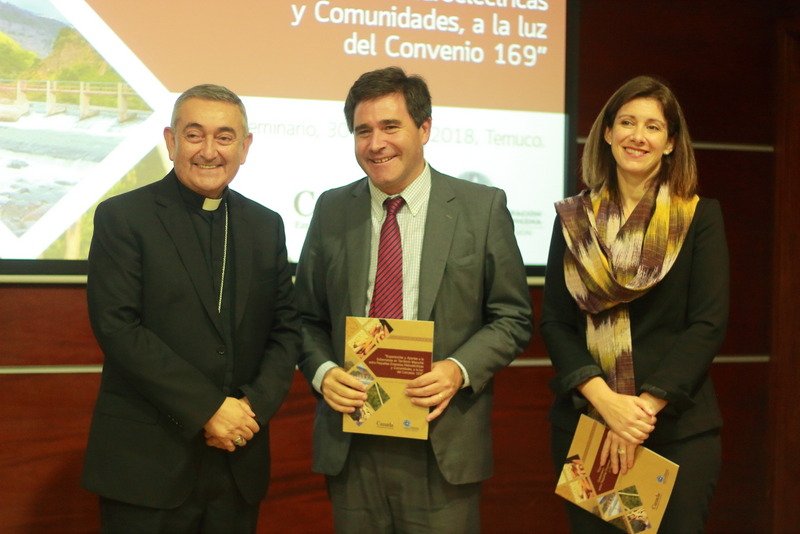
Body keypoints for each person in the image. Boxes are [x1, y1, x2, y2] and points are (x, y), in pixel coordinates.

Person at [294, 66, 532, 533]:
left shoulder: (481, 207)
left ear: (424, 128)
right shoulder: (331, 208)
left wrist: (458, 370)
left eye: (390, 126)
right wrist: (323, 373)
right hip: (353, 440)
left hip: (442, 441)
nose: (375, 143)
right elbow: (303, 317)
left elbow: (513, 317)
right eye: (363, 131)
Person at [82, 84, 301, 533]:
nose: (209, 151)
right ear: (171, 141)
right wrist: (208, 409)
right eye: (194, 135)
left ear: (245, 147)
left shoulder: (265, 225)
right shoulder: (123, 217)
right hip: (148, 466)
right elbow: (118, 327)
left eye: (224, 137)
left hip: (237, 459)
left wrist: (250, 408)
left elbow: (286, 329)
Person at [541, 75, 729, 533]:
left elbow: (707, 323)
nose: (637, 136)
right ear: (607, 133)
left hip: (674, 431)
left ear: (670, 143)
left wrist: (639, 411)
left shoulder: (699, 217)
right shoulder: (574, 220)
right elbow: (556, 323)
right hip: (589, 425)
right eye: (626, 122)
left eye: (653, 126)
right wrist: (606, 403)